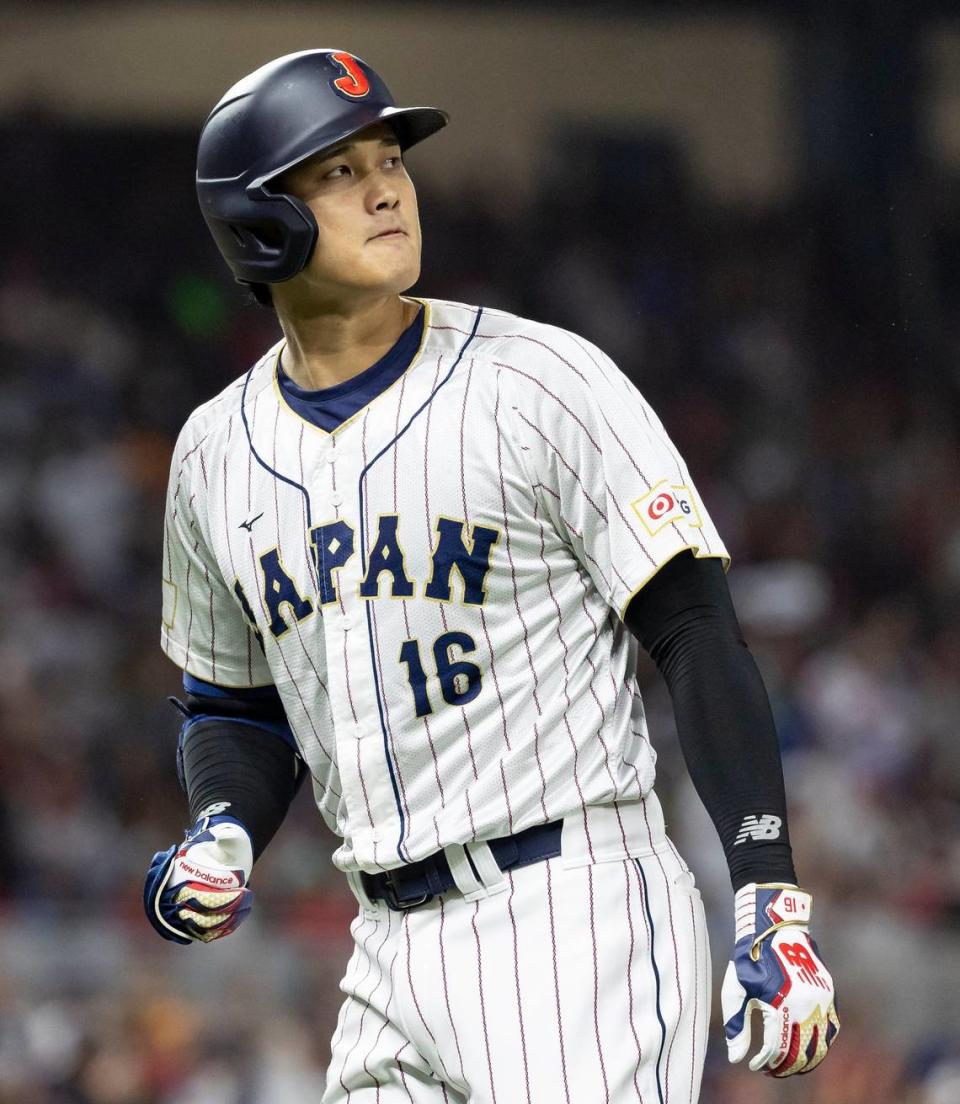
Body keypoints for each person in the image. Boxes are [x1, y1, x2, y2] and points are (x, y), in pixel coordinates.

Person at [144, 49, 839, 1103]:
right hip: (382, 943)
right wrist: (224, 826)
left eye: (389, 159)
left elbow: (696, 633)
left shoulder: (541, 381)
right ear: (257, 222)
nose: (384, 185)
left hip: (572, 920)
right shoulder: (211, 454)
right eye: (335, 170)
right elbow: (236, 706)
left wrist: (767, 896)